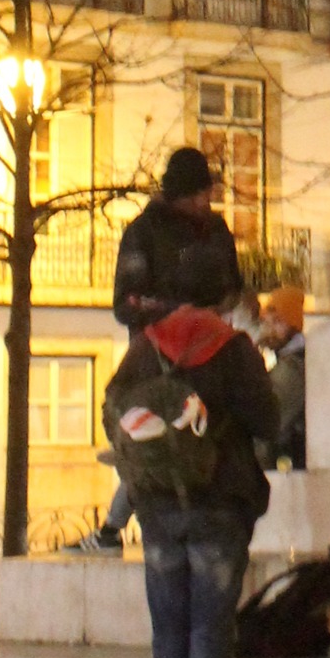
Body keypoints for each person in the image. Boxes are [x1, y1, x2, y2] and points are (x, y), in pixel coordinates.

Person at [103, 299, 276, 658]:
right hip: (218, 505)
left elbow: (113, 410)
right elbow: (269, 420)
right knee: (210, 627)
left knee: (169, 630)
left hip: (158, 509)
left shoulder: (145, 346)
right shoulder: (234, 348)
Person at [92, 148, 247, 548]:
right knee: (158, 442)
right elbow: (127, 302)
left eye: (207, 195)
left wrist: (225, 308)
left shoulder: (216, 231)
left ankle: (125, 527)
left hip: (211, 350)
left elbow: (234, 283)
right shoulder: (143, 234)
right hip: (159, 355)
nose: (205, 204)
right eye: (197, 196)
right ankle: (124, 527)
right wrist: (182, 314)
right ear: (178, 194)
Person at [260, 285, 308, 472]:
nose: (270, 329)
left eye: (278, 322)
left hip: (290, 462)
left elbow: (272, 416)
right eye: (267, 322)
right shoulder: (287, 359)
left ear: (294, 324)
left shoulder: (294, 365)